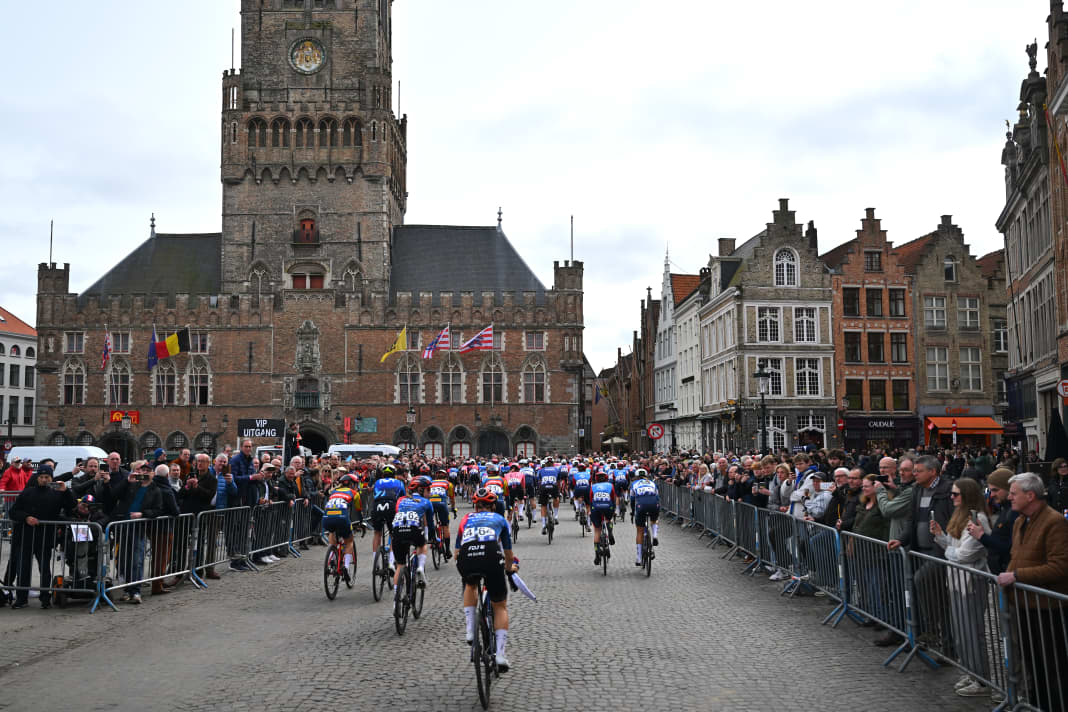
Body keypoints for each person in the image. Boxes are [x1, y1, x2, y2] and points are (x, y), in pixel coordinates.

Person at [996, 472, 1068, 712]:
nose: (1010, 498)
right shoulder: (1019, 521)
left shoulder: (1054, 521)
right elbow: (1017, 558)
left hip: (1047, 608)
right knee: (1033, 664)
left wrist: (1017, 576)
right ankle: (1038, 705)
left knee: (1052, 666)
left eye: (1014, 493)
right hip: (1023, 605)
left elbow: (1059, 567)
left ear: (1030, 495)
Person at [931, 477, 993, 698]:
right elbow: (954, 548)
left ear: (966, 495)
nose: (952, 497)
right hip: (956, 579)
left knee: (972, 631)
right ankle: (971, 672)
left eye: (956, 494)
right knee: (961, 631)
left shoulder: (979, 519)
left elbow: (965, 554)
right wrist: (939, 536)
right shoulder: (960, 516)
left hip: (971, 582)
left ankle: (982, 678)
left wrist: (950, 554)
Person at [455, 487, 516, 671]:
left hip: (467, 556)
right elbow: (508, 554)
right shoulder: (499, 519)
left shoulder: (465, 519)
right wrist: (508, 569)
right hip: (491, 555)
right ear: (493, 506)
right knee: (500, 605)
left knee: (470, 584)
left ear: (475, 506)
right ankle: (500, 654)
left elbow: (456, 553)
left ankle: (470, 631)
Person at [7, 466, 76, 609]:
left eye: (47, 477)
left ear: (52, 478)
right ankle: (21, 598)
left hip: (45, 538)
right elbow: (13, 512)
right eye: (42, 477)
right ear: (37, 478)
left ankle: (45, 598)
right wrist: (26, 517)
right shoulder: (27, 492)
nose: (44, 480)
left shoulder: (57, 493)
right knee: (23, 569)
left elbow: (72, 506)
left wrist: (66, 491)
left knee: (45, 569)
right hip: (26, 537)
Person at [968, 468, 1016, 576]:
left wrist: (982, 536)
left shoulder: (1014, 512)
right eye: (990, 491)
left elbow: (1011, 547)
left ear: (1009, 488)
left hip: (1008, 574)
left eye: (995, 490)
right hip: (1001, 574)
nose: (992, 495)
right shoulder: (1005, 509)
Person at [391, 476, 436, 590]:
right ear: (421, 490)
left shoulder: (401, 500)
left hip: (397, 530)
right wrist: (432, 537)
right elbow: (430, 525)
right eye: (428, 490)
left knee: (400, 566)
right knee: (422, 545)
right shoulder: (426, 502)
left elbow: (397, 514)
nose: (430, 493)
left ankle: (396, 601)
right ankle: (420, 567)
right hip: (413, 529)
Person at [321, 473, 361, 582]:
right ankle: (346, 567)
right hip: (342, 518)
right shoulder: (354, 493)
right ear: (352, 484)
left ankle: (332, 557)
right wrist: (361, 523)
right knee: (349, 541)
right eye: (356, 484)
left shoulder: (333, 492)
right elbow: (358, 510)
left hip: (327, 518)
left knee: (332, 532)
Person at [370, 464, 406, 572]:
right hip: (391, 507)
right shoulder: (399, 482)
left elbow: (375, 494)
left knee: (377, 533)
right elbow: (403, 498)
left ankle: (375, 562)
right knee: (393, 534)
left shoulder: (377, 482)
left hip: (377, 507)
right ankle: (391, 562)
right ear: (394, 474)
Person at [628, 468, 660, 566]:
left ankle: (638, 558)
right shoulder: (652, 483)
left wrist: (633, 512)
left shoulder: (634, 484)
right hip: (654, 503)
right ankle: (654, 535)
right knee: (654, 520)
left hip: (641, 505)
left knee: (640, 531)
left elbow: (632, 500)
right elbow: (657, 496)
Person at [589, 469, 616, 566]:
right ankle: (610, 530)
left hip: (596, 507)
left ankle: (597, 554)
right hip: (608, 506)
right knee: (609, 518)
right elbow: (613, 498)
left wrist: (590, 511)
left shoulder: (593, 486)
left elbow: (590, 499)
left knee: (597, 530)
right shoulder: (610, 485)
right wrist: (614, 511)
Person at [427, 469, 455, 560]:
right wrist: (453, 508)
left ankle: (432, 538)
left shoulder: (430, 483)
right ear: (446, 476)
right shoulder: (448, 484)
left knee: (429, 521)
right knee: (445, 526)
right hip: (442, 504)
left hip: (430, 504)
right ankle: (447, 550)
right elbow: (452, 498)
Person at [537, 458, 561, 534]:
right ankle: (556, 517)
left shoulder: (541, 470)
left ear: (546, 463)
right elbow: (558, 481)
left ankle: (544, 525)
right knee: (556, 498)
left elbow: (539, 481)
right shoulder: (556, 469)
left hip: (544, 487)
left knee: (543, 505)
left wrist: (539, 491)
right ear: (553, 463)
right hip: (553, 486)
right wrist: (559, 491)